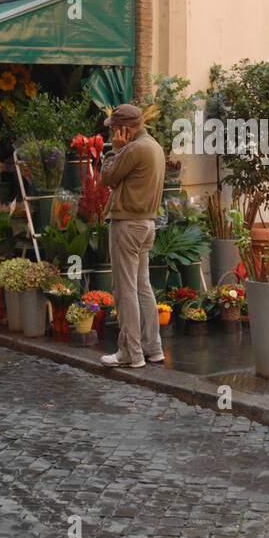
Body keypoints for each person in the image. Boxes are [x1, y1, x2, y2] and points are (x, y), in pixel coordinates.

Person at [99, 103, 166, 368]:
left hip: (128, 225)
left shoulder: (133, 149)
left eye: (114, 129)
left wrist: (115, 149)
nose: (112, 134)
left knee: (125, 289)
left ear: (123, 128)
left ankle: (131, 353)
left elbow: (107, 177)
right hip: (146, 224)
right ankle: (153, 348)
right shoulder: (154, 147)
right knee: (142, 288)